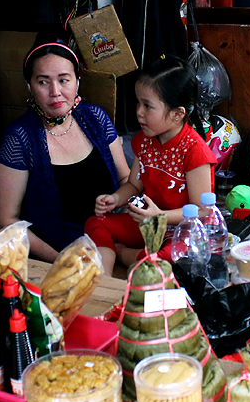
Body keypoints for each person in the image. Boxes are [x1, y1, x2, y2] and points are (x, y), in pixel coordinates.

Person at [0, 37, 131, 262]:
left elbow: (126, 179)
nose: (55, 91)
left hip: (114, 243)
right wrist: (60, 260)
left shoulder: (95, 118)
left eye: (64, 80)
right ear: (29, 86)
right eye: (43, 82)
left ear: (77, 81)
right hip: (59, 256)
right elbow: (7, 223)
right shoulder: (18, 140)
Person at [84, 55, 217, 276]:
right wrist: (115, 198)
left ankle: (123, 254)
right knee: (95, 223)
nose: (139, 112)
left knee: (170, 258)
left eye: (148, 106)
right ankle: (106, 282)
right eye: (138, 102)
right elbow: (134, 186)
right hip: (149, 222)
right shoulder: (144, 141)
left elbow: (202, 211)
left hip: (180, 230)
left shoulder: (195, 152)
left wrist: (159, 217)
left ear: (177, 114)